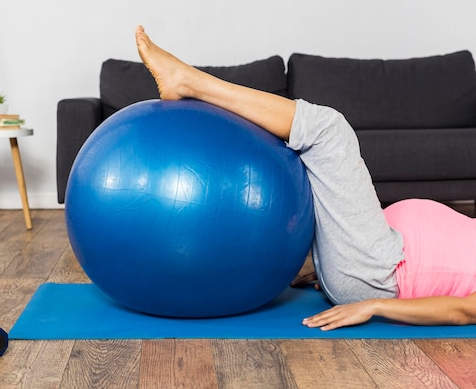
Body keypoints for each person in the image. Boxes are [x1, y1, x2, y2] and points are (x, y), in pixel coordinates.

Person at [135, 25, 476, 330]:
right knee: (315, 151)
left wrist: (374, 304)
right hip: (366, 261)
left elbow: (464, 311)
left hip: (376, 274)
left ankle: (190, 81)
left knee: (329, 131)